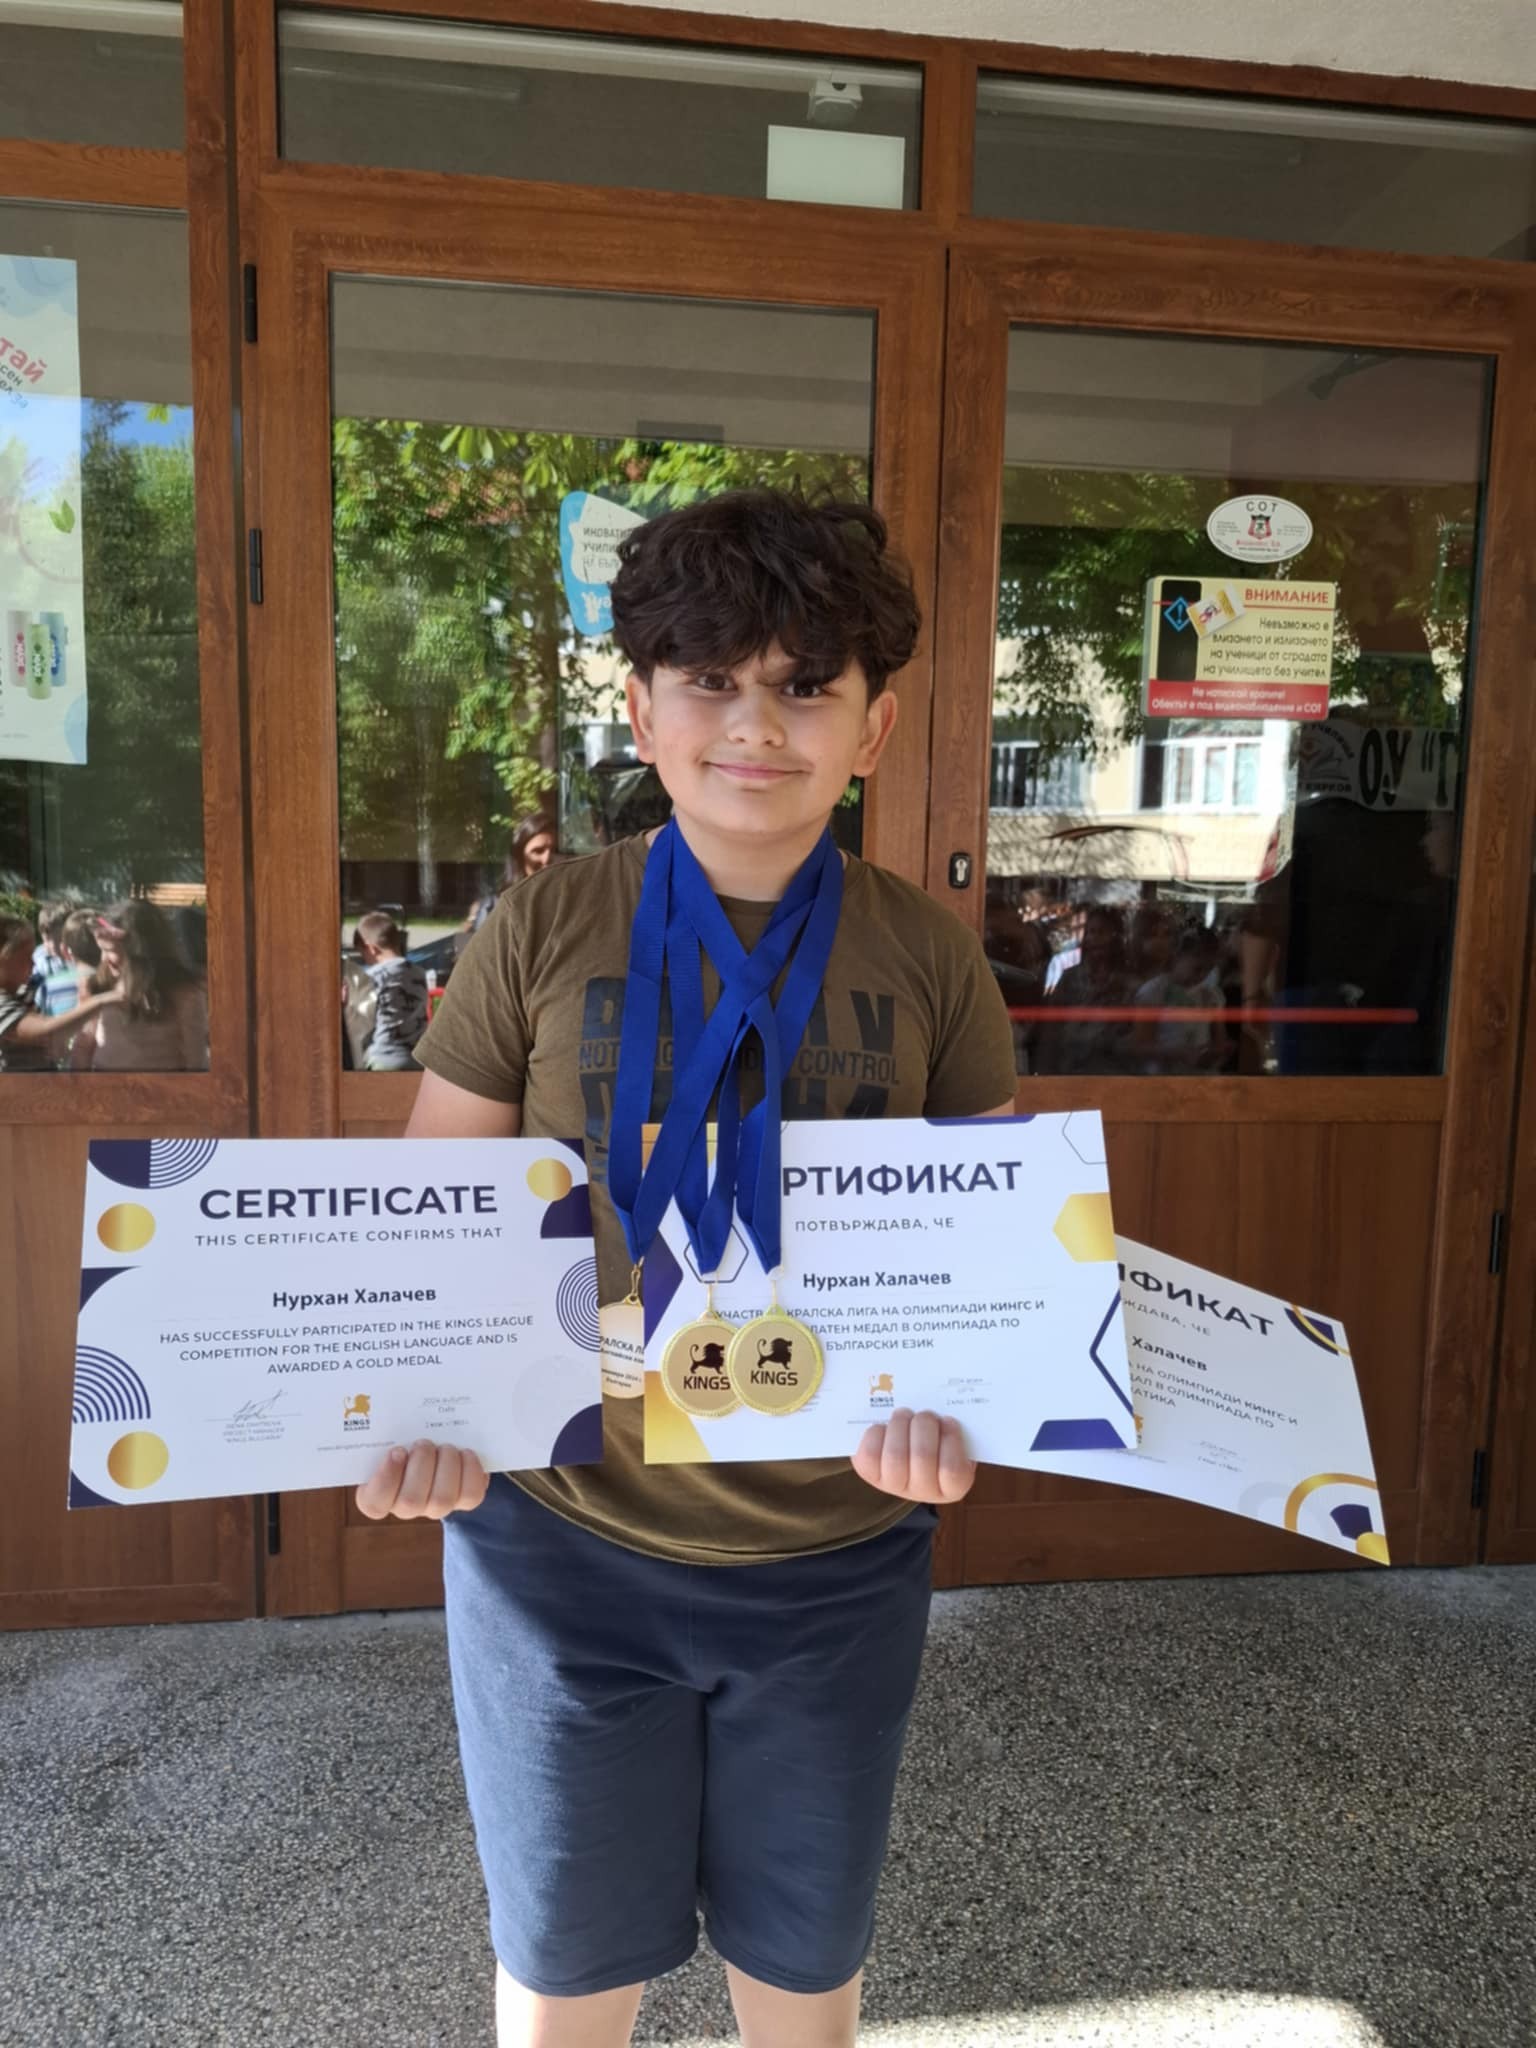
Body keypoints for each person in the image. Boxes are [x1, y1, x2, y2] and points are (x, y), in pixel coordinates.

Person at [354, 487, 1019, 2048]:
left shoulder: (929, 956)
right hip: (558, 1556)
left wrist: (965, 1410)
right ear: (643, 709)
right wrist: (413, 1414)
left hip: (837, 1557)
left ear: (874, 726)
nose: (757, 724)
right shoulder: (541, 928)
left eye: (806, 685)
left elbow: (996, 1257)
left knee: (805, 1973)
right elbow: (427, 1221)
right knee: (568, 1975)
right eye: (711, 679)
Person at [73, 900, 207, 1072]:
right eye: (102, 950)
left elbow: (195, 1059)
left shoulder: (184, 993)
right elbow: (83, 1045)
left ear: (139, 954)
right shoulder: (100, 985)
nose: (104, 959)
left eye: (110, 951)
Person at [0, 912, 121, 1072]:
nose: (33, 963)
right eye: (26, 957)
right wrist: (101, 1000)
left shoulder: (23, 992)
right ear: (4, 959)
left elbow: (49, 1031)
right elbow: (47, 1032)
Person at [351, 910, 429, 1071]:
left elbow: (360, 1021)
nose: (365, 959)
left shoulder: (373, 977)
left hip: (384, 1057)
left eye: (362, 953)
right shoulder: (419, 973)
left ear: (371, 949)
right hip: (416, 1059)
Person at [465, 813, 558, 934]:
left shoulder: (574, 904)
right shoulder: (496, 908)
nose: (547, 859)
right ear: (520, 857)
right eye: (538, 851)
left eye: (555, 851)